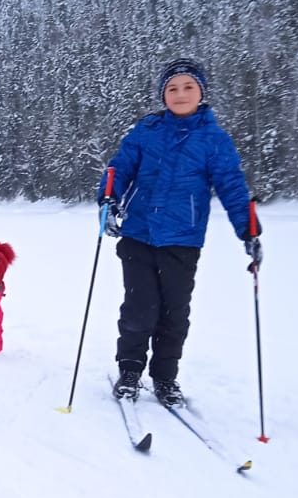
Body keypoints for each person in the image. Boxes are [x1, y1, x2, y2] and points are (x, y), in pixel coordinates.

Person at [102, 57, 260, 407]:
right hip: (138, 234)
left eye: (188, 86)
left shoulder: (214, 139)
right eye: (172, 88)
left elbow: (232, 186)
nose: (180, 93)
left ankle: (165, 377)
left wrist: (248, 231)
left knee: (174, 313)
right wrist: (109, 200)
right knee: (139, 309)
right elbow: (121, 167)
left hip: (182, 239)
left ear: (201, 92)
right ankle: (130, 371)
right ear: (163, 95)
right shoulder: (146, 131)